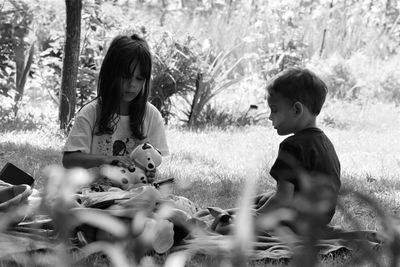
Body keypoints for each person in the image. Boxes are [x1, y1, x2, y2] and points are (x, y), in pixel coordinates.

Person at [62, 34, 169, 183]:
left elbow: (153, 159)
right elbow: (69, 160)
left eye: (139, 78)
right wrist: (106, 159)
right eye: (126, 76)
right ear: (111, 73)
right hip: (94, 195)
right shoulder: (90, 113)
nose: (132, 84)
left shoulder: (152, 115)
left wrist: (150, 172)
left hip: (134, 196)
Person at [256, 67, 341, 230]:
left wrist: (255, 217)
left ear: (297, 110)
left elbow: (283, 199)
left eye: (274, 110)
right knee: (262, 198)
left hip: (297, 223)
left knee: (230, 224)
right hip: (320, 220)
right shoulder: (325, 142)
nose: (269, 116)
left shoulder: (292, 146)